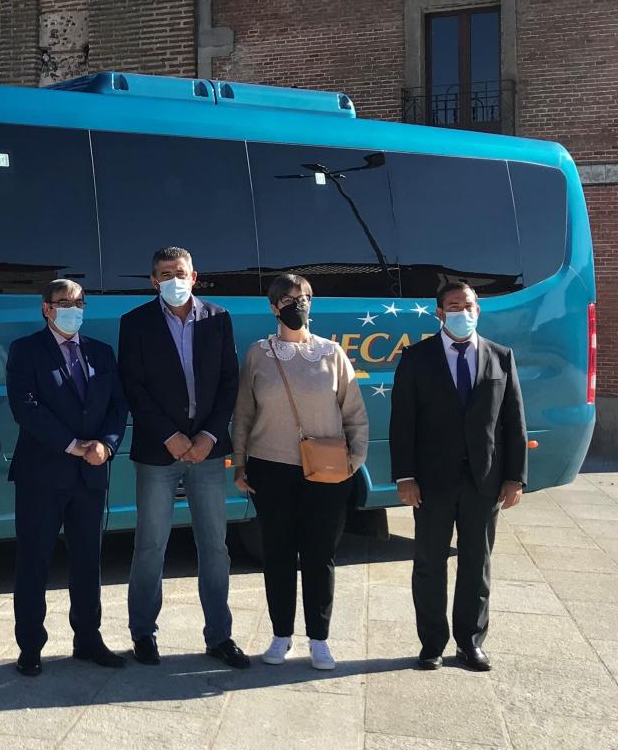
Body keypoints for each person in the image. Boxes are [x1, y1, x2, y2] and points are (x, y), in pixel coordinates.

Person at [232, 273, 368, 672]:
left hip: (325, 471)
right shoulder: (258, 355)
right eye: (291, 299)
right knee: (277, 554)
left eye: (305, 297)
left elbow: (354, 412)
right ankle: (281, 635)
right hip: (270, 468)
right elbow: (244, 413)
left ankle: (319, 639)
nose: (299, 305)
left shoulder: (331, 353)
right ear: (274, 307)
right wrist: (239, 463)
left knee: (319, 555)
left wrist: (354, 461)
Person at [119, 247, 248, 669]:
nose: (173, 279)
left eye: (180, 272)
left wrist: (209, 435)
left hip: (207, 450)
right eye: (164, 274)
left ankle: (219, 637)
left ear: (194, 276)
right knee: (150, 545)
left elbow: (229, 382)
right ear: (153, 280)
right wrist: (169, 436)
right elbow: (133, 386)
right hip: (158, 451)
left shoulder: (218, 318)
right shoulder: (135, 322)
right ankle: (143, 634)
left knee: (214, 546)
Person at [391, 281, 527, 673]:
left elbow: (514, 421)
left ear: (477, 310)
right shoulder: (416, 358)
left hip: (484, 481)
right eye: (453, 306)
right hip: (431, 482)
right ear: (439, 313)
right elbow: (403, 423)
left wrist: (514, 478)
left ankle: (470, 642)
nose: (462, 312)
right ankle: (431, 643)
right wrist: (405, 477)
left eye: (468, 305)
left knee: (476, 564)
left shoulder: (501, 357)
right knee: (429, 564)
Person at [5, 278, 128, 676]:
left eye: (79, 303)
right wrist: (72, 444)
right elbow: (26, 407)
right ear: (46, 308)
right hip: (42, 475)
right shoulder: (26, 350)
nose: (73, 309)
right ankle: (30, 647)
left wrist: (107, 445)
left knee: (88, 562)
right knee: (34, 562)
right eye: (64, 302)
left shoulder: (101, 352)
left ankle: (88, 639)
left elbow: (117, 405)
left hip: (90, 474)